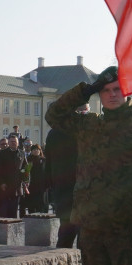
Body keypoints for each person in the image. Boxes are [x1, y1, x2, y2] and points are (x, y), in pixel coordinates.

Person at [45, 66, 132, 265]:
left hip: (126, 223)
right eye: (106, 90)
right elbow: (55, 115)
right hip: (93, 223)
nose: (112, 95)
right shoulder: (89, 125)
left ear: (128, 93)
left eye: (117, 90)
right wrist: (85, 88)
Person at [45, 106, 85, 249]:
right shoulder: (78, 132)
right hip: (79, 184)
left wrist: (51, 186)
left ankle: (62, 254)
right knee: (82, 229)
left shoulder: (52, 133)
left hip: (60, 186)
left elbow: (47, 162)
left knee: (65, 228)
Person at [0, 134, 27, 218]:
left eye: (15, 142)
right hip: (5, 186)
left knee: (14, 211)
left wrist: (26, 180)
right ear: (8, 143)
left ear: (18, 143)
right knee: (5, 211)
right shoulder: (2, 153)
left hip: (17, 187)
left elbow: (26, 168)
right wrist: (1, 183)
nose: (13, 143)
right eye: (11, 142)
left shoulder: (22, 153)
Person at [24, 144, 48, 214]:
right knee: (32, 205)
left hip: (42, 186)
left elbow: (47, 172)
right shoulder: (28, 160)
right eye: (34, 149)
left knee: (42, 205)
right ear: (31, 151)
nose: (36, 151)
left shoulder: (44, 160)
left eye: (38, 149)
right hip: (31, 185)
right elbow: (26, 172)